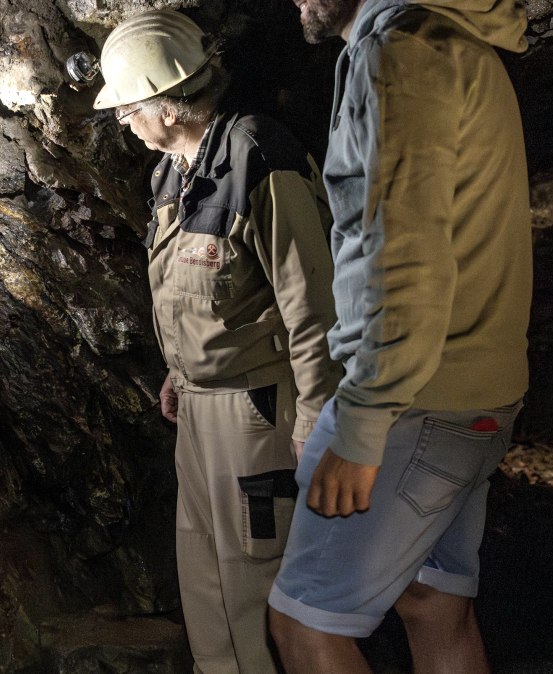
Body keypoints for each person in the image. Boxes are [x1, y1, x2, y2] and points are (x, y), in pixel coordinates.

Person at [265, 0, 532, 670]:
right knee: (432, 602)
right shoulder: (454, 43)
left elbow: (401, 252)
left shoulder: (400, 53)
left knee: (305, 621)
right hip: (474, 393)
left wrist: (362, 426)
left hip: (414, 400)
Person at [90, 10, 342, 673]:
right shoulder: (173, 172)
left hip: (255, 408)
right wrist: (178, 370)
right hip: (200, 407)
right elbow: (185, 288)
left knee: (254, 585)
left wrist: (316, 417)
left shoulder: (258, 156)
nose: (122, 121)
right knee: (203, 575)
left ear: (167, 105)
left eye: (127, 107)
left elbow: (311, 299)